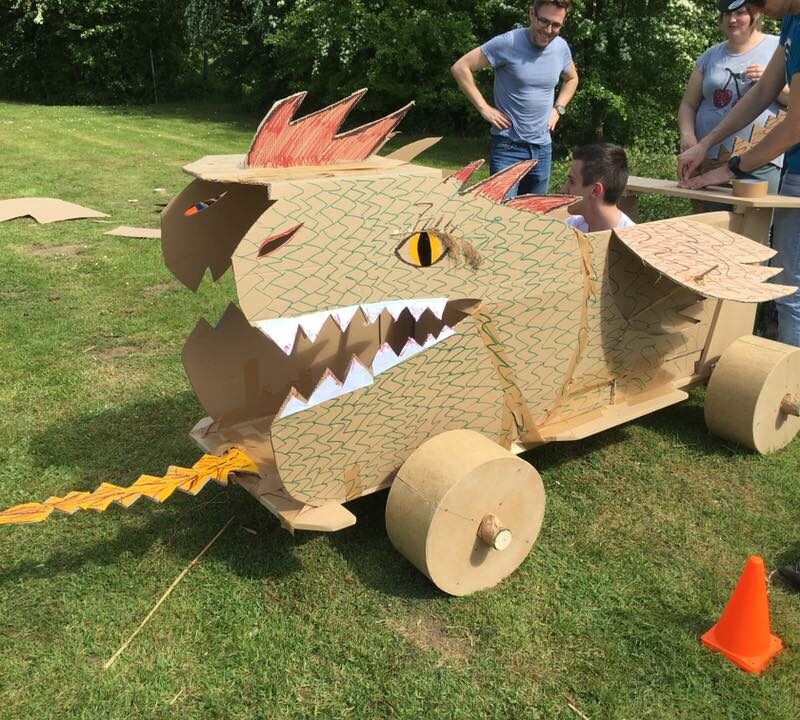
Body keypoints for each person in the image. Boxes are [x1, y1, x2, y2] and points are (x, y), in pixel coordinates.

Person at [677, 0, 800, 348]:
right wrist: (704, 145)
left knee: (791, 291)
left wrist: (732, 167)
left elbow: (795, 124)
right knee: (789, 289)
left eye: (756, 2)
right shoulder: (791, 21)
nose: (757, 8)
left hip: (788, 171)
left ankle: (786, 376)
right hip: (793, 170)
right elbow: (762, 92)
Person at [451, 1, 579, 196]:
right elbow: (460, 67)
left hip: (542, 149)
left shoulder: (560, 47)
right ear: (532, 14)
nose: (548, 30)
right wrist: (484, 108)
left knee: (534, 212)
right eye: (544, 21)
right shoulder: (508, 43)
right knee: (502, 212)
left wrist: (558, 109)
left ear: (564, 23)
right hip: (508, 148)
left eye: (556, 25)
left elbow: (572, 78)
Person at [678, 0, 789, 197]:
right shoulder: (710, 55)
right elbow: (688, 104)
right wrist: (688, 136)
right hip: (709, 159)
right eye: (727, 14)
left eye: (740, 13)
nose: (732, 19)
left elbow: (792, 100)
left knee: (753, 215)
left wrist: (769, 81)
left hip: (759, 160)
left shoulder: (777, 46)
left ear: (756, 13)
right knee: (711, 216)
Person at [560, 143, 635, 233]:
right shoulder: (570, 228)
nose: (563, 190)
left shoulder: (631, 239)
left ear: (595, 191)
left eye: (572, 181)